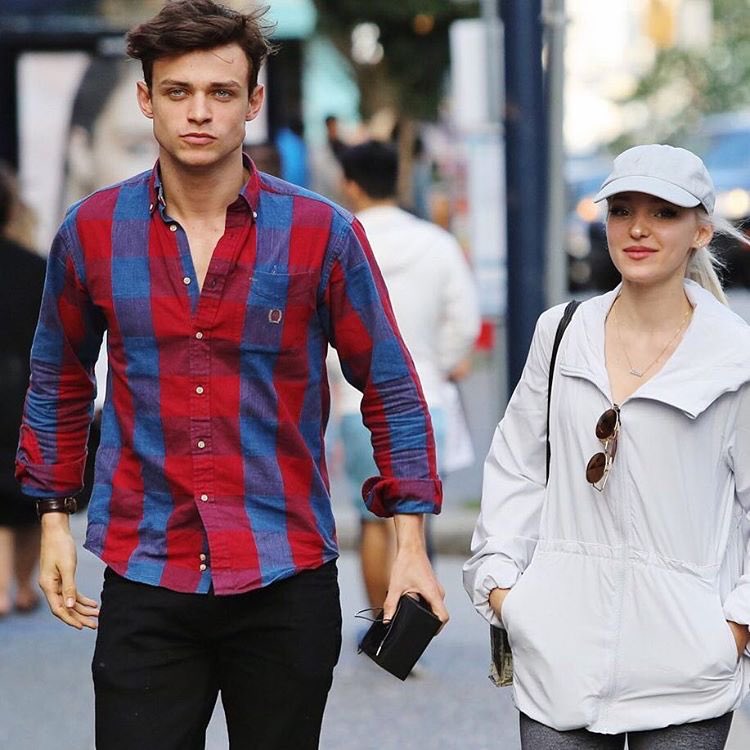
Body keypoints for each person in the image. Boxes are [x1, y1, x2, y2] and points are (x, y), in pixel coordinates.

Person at [15, 2, 447, 749]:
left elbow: (391, 385)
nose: (199, 113)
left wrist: (410, 543)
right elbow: (58, 378)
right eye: (177, 91)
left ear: (253, 101)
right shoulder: (92, 231)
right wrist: (53, 517)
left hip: (285, 570)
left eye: (220, 92)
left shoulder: (319, 232)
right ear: (147, 98)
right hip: (147, 569)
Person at [464, 144, 750, 749]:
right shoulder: (562, 332)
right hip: (559, 655)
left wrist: (732, 630)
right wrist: (505, 592)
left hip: (687, 668)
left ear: (701, 230)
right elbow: (517, 465)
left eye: (664, 213)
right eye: (622, 210)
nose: (639, 229)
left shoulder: (735, 357)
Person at [335, 139, 480, 610]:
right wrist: (439, 362)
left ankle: (381, 624)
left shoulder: (340, 240)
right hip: (428, 397)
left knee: (371, 522)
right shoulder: (437, 244)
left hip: (356, 403)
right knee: (415, 523)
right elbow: (465, 321)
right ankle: (410, 627)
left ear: (350, 184)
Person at [0, 163, 46, 617]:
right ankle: (24, 585)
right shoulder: (35, 269)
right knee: (27, 493)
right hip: (23, 391)